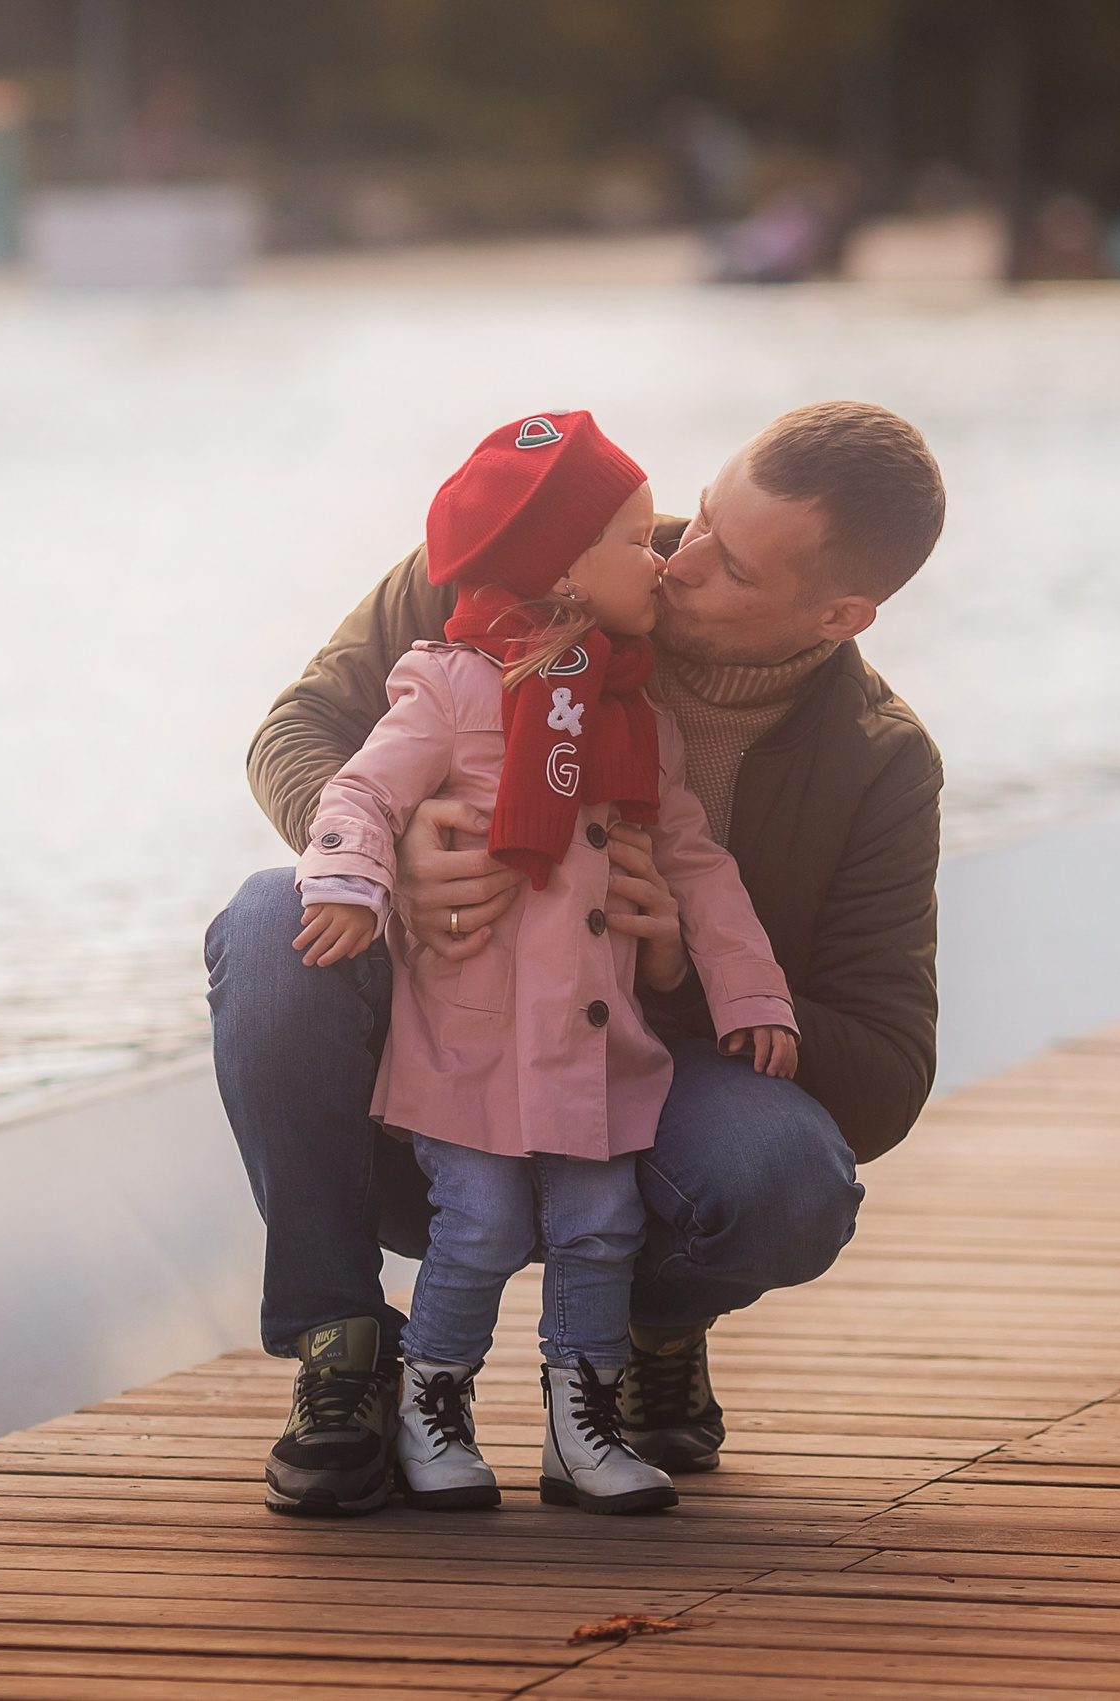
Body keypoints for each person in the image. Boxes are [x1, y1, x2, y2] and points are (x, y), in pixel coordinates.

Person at [206, 399, 946, 1517]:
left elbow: (886, 1075)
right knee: (271, 924)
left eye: (732, 567)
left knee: (787, 1184)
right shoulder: (536, 555)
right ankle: (342, 1348)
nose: (676, 563)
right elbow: (297, 729)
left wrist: (678, 966)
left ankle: (651, 1319)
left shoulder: (880, 763)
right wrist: (395, 854)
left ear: (839, 615)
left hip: (640, 1080)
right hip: (449, 1050)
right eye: (697, 521)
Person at [287, 411, 796, 1515]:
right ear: (559, 567)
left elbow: (698, 867)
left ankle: (581, 1424)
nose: (658, 555)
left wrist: (751, 991)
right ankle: (434, 1399)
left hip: (590, 1043)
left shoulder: (633, 715)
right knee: (481, 1225)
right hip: (468, 1041)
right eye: (630, 537)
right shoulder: (453, 682)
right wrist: (349, 880)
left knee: (600, 1226)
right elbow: (362, 788)